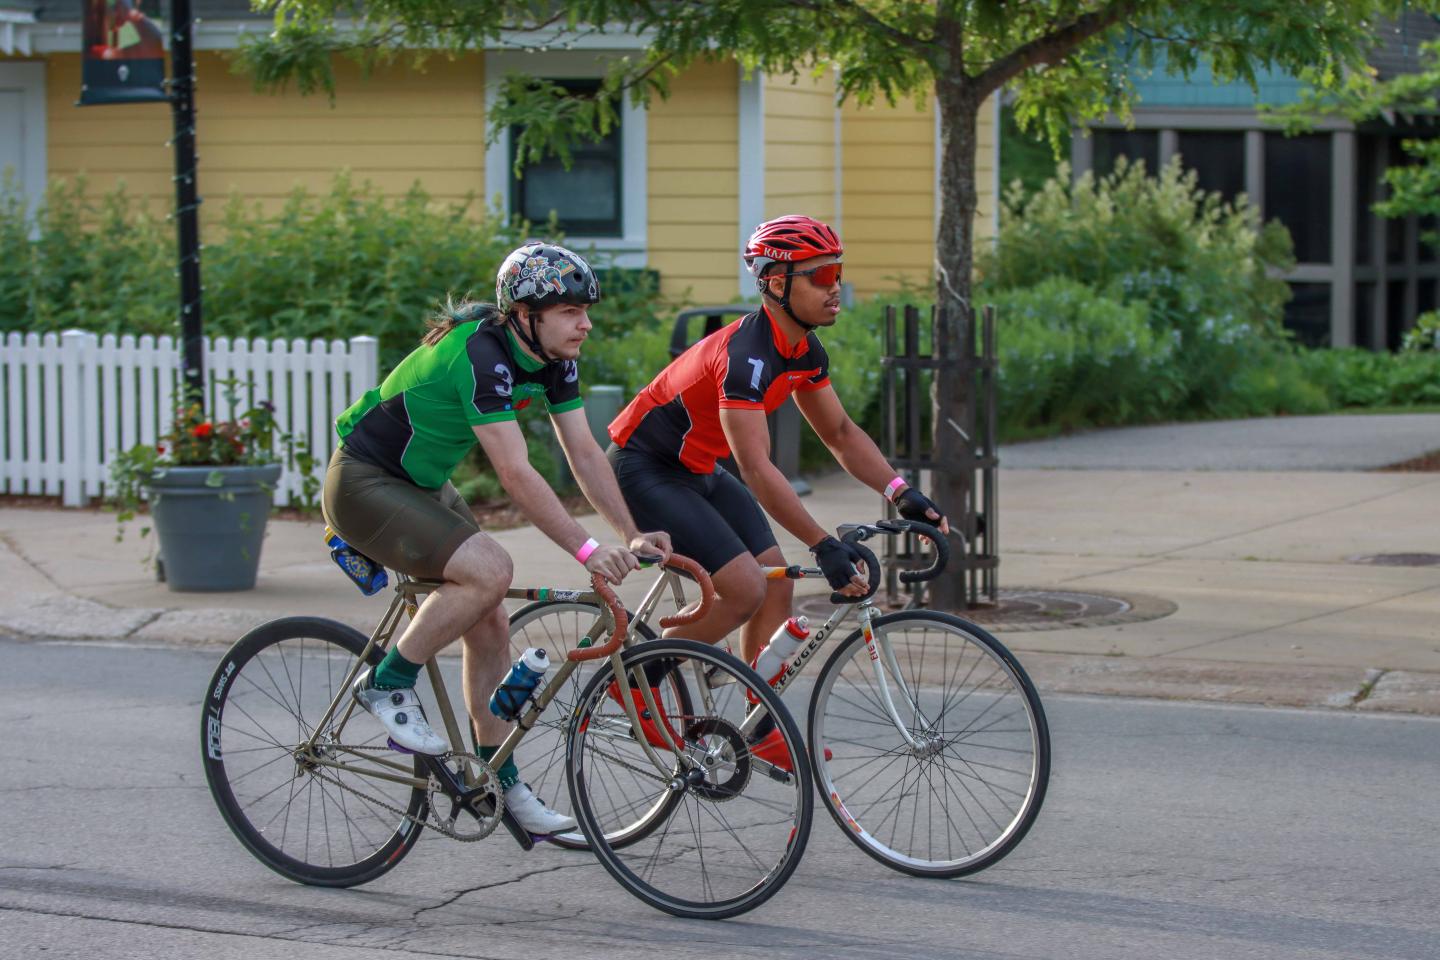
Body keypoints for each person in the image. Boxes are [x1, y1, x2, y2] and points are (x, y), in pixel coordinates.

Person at [323, 241, 670, 835]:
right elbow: (514, 472)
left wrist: (631, 534)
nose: (585, 323)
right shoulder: (482, 354)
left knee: (489, 621)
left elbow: (583, 452)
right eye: (569, 311)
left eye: (586, 310)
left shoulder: (554, 357)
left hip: (420, 485)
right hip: (364, 481)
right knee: (490, 570)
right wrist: (587, 550)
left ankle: (499, 779)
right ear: (525, 314)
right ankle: (386, 682)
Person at [607, 215, 948, 765]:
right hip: (643, 467)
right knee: (743, 589)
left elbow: (839, 433)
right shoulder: (746, 358)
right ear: (774, 283)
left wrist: (901, 490)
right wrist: (822, 543)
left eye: (838, 270)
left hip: (699, 468)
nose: (835, 285)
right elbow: (759, 469)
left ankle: (755, 721)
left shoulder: (804, 350)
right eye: (821, 274)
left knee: (777, 585)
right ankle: (641, 677)